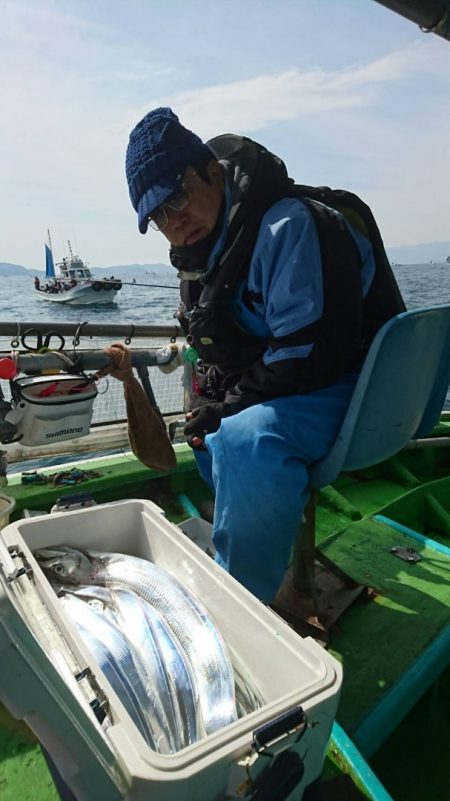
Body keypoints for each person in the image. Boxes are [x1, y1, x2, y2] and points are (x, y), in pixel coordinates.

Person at [125, 107, 406, 603]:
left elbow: (307, 353)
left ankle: (241, 609)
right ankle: (253, 540)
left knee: (243, 439)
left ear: (212, 172)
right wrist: (211, 405)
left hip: (360, 386)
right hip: (308, 382)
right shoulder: (210, 250)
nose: (175, 221)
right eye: (158, 216)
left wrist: (229, 406)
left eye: (179, 196)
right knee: (211, 430)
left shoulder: (288, 226)